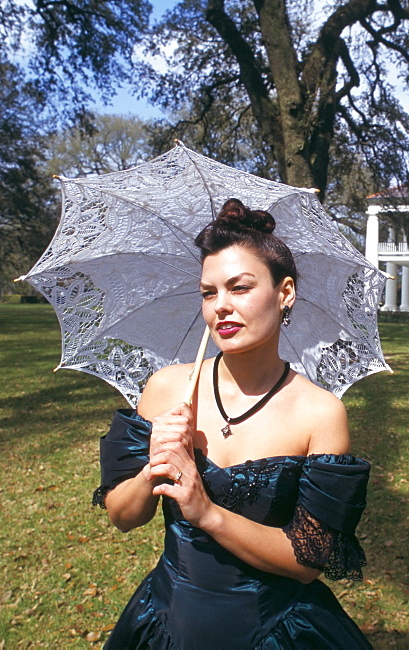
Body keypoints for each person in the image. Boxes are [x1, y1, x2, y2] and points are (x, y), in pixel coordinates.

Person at [92, 198, 372, 648]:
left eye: (239, 288)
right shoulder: (165, 389)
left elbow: (308, 560)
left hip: (275, 632)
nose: (220, 306)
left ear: (285, 293)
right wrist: (154, 467)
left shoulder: (319, 413)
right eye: (209, 292)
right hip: (166, 621)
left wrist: (206, 513)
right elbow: (122, 516)